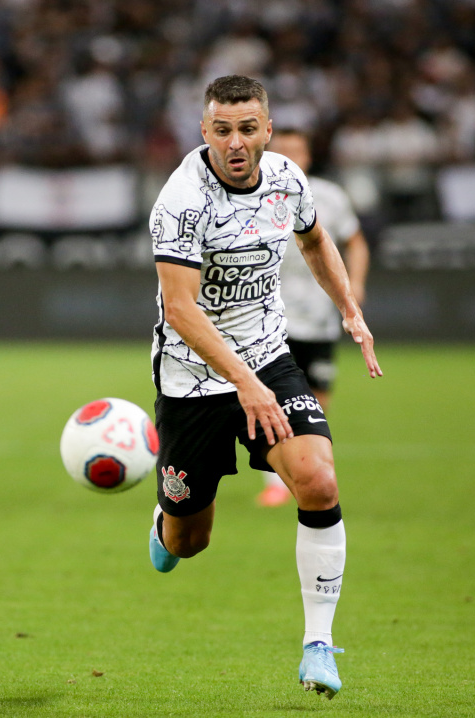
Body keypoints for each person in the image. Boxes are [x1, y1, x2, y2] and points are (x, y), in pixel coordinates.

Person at [147, 75, 382, 699]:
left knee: (317, 478)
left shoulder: (287, 178)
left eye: (248, 128)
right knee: (188, 542)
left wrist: (348, 308)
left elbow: (314, 240)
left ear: (267, 130)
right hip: (192, 378)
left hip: (268, 358)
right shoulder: (180, 201)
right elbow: (182, 310)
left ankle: (318, 644)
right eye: (222, 130)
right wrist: (244, 384)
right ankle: (166, 517)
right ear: (204, 132)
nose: (236, 142)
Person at [257, 128, 370, 508]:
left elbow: (355, 241)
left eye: (296, 151)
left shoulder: (330, 197)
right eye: (282, 151)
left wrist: (354, 283)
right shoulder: (252, 192)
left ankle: (305, 463)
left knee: (317, 399)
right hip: (269, 317)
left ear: (307, 157)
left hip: (319, 317)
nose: (289, 158)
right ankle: (275, 481)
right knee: (270, 397)